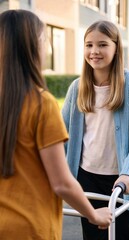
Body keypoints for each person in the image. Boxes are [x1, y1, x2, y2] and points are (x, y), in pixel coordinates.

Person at [0, 10, 112, 240]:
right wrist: (93, 214)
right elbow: (61, 183)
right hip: (30, 228)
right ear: (32, 47)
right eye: (44, 40)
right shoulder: (40, 104)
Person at [62, 20, 129, 240]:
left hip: (121, 181)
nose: (94, 51)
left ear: (115, 48)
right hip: (86, 179)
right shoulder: (77, 88)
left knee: (120, 235)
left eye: (102, 45)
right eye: (89, 45)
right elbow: (61, 134)